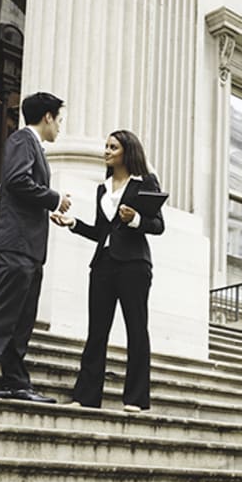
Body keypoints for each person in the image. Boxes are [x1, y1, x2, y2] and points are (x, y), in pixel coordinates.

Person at [0, 92, 71, 403]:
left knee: (22, 319)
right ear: (48, 117)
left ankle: (15, 380)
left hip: (31, 247)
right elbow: (17, 181)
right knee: (0, 312)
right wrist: (54, 198)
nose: (60, 127)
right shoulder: (23, 140)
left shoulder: (33, 146)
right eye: (59, 119)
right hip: (16, 243)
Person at [51, 130, 165, 412]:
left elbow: (158, 225)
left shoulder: (145, 182)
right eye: (106, 146)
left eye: (113, 147)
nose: (106, 151)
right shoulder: (102, 188)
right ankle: (86, 397)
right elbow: (101, 231)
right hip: (102, 264)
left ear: (127, 151)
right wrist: (72, 223)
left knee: (136, 330)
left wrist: (136, 218)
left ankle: (136, 399)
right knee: (97, 331)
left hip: (134, 265)